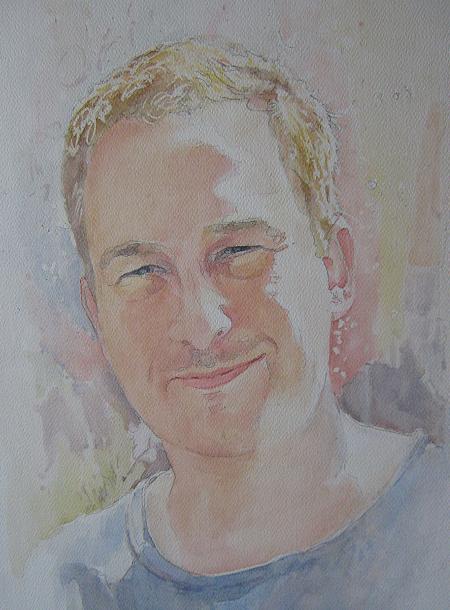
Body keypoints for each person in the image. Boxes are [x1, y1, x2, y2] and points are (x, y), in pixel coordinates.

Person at [20, 38, 447, 609]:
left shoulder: (437, 525)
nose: (202, 325)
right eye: (143, 272)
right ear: (96, 314)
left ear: (335, 266)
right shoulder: (61, 587)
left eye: (239, 251)